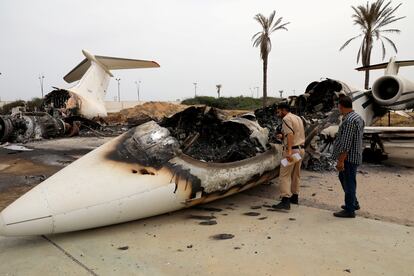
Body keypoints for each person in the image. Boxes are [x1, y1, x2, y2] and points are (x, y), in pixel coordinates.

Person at [332, 96, 365, 218]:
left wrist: (341, 161)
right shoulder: (357, 117)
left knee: (349, 181)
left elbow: (346, 144)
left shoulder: (349, 120)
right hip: (354, 156)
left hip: (348, 158)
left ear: (341, 106)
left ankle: (350, 210)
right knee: (344, 178)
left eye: (338, 106)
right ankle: (353, 203)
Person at [272, 102, 306, 211]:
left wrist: (289, 152)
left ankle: (285, 200)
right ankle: (294, 197)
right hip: (300, 150)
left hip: (292, 151)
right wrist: (282, 137)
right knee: (296, 174)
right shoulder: (297, 118)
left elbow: (290, 135)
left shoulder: (286, 119)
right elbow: (294, 133)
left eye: (278, 111)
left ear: (283, 110)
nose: (278, 114)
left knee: (284, 175)